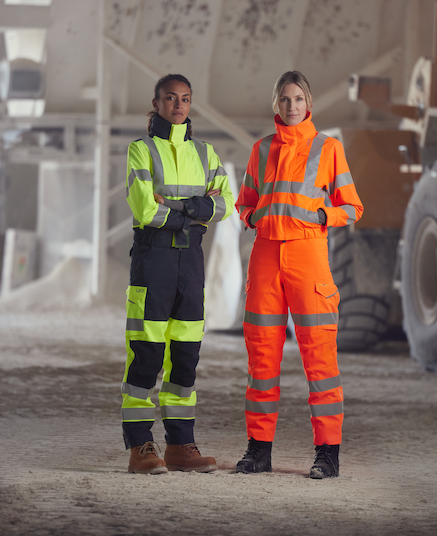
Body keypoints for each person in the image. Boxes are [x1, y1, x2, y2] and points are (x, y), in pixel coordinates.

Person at [234, 71, 364, 479]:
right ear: (276, 105)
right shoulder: (260, 149)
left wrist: (325, 214)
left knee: (320, 358)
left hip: (308, 257)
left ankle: (328, 454)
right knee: (262, 359)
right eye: (285, 99)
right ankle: (258, 451)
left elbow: (353, 207)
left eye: (298, 99)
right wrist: (252, 216)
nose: (292, 106)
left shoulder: (329, 149)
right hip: (266, 256)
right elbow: (244, 204)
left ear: (309, 104)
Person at [121, 74, 234, 474]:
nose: (179, 105)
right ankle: (140, 448)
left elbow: (226, 204)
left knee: (186, 360)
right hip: (153, 265)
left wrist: (176, 206)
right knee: (146, 358)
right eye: (171, 98)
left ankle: (180, 446)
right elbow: (145, 210)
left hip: (191, 265)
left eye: (185, 99)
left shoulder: (205, 153)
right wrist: (196, 208)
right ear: (156, 103)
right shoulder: (141, 150)